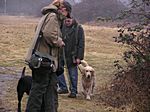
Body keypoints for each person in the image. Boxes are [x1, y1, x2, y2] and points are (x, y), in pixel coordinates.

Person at [25, 0, 72, 112]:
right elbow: (49, 35)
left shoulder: (47, 15)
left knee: (50, 89)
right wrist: (59, 41)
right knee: (38, 90)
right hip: (44, 61)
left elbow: (40, 31)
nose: (67, 17)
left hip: (46, 60)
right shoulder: (53, 17)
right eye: (67, 14)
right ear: (63, 9)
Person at [57, 17, 85, 98]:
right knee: (58, 71)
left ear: (73, 19)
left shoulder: (79, 28)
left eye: (69, 20)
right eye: (66, 20)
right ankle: (63, 87)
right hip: (61, 54)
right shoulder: (61, 26)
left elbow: (81, 44)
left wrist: (79, 57)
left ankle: (73, 91)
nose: (67, 21)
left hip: (73, 55)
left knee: (72, 74)